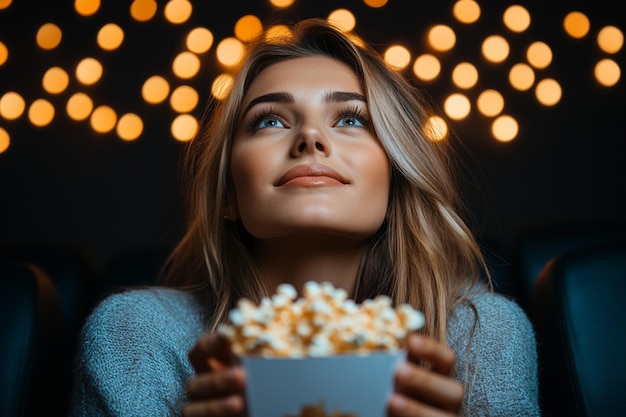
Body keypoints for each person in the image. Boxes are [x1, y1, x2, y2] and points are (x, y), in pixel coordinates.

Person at [70, 18, 540, 417]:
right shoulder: (138, 334)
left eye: (352, 119)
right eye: (270, 120)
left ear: (396, 178)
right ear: (228, 194)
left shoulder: (483, 334)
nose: (311, 137)